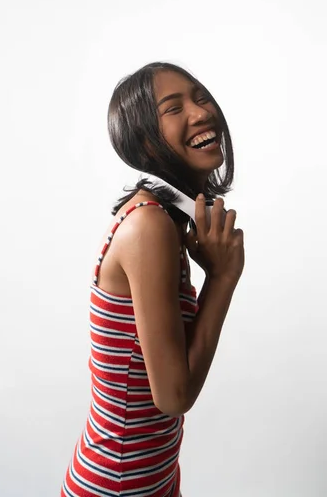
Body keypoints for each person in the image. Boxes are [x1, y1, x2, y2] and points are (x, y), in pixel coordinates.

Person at [60, 62, 245, 497]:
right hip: (117, 484)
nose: (201, 113)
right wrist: (221, 278)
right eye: (174, 108)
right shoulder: (150, 228)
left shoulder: (166, 222)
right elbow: (173, 397)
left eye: (201, 97)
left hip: (152, 478)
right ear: (145, 140)